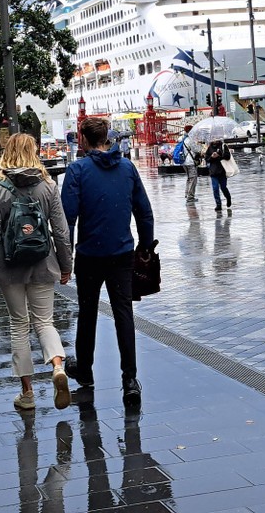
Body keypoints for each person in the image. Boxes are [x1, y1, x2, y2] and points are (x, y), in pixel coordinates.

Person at [0, 133, 74, 411]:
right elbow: (61, 231)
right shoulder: (48, 185)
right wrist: (66, 265)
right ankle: (56, 366)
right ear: (34, 151)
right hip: (43, 263)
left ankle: (27, 394)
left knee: (19, 325)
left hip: (10, 265)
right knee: (44, 322)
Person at [61, 116, 154, 407]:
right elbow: (144, 210)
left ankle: (85, 371)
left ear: (84, 139)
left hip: (90, 254)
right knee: (123, 313)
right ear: (107, 138)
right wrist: (146, 246)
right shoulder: (127, 167)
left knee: (87, 312)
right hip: (122, 253)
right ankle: (130, 379)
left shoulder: (77, 170)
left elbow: (68, 218)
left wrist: (66, 256)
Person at [204, 138, 232, 211]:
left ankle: (228, 198)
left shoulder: (223, 146)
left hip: (222, 171)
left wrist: (219, 155)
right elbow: (206, 159)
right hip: (213, 172)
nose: (215, 140)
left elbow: (228, 157)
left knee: (223, 187)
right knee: (215, 188)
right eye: (213, 138)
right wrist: (212, 157)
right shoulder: (210, 148)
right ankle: (218, 204)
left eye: (216, 138)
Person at [178, 124, 198, 202]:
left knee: (189, 178)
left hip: (184, 162)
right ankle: (190, 197)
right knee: (193, 179)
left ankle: (187, 194)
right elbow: (196, 150)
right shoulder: (190, 140)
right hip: (190, 162)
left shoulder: (182, 139)